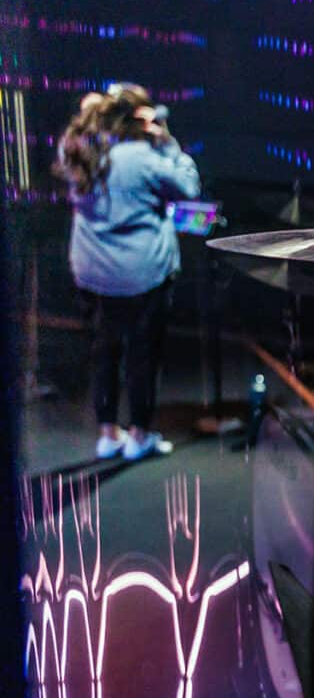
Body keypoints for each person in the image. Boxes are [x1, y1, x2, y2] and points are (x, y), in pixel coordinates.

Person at [57, 83, 198, 460]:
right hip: (142, 275)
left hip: (92, 274)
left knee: (103, 353)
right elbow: (189, 187)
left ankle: (107, 434)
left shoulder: (77, 149)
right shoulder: (143, 157)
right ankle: (139, 436)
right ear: (139, 119)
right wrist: (166, 141)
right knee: (142, 356)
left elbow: (84, 129)